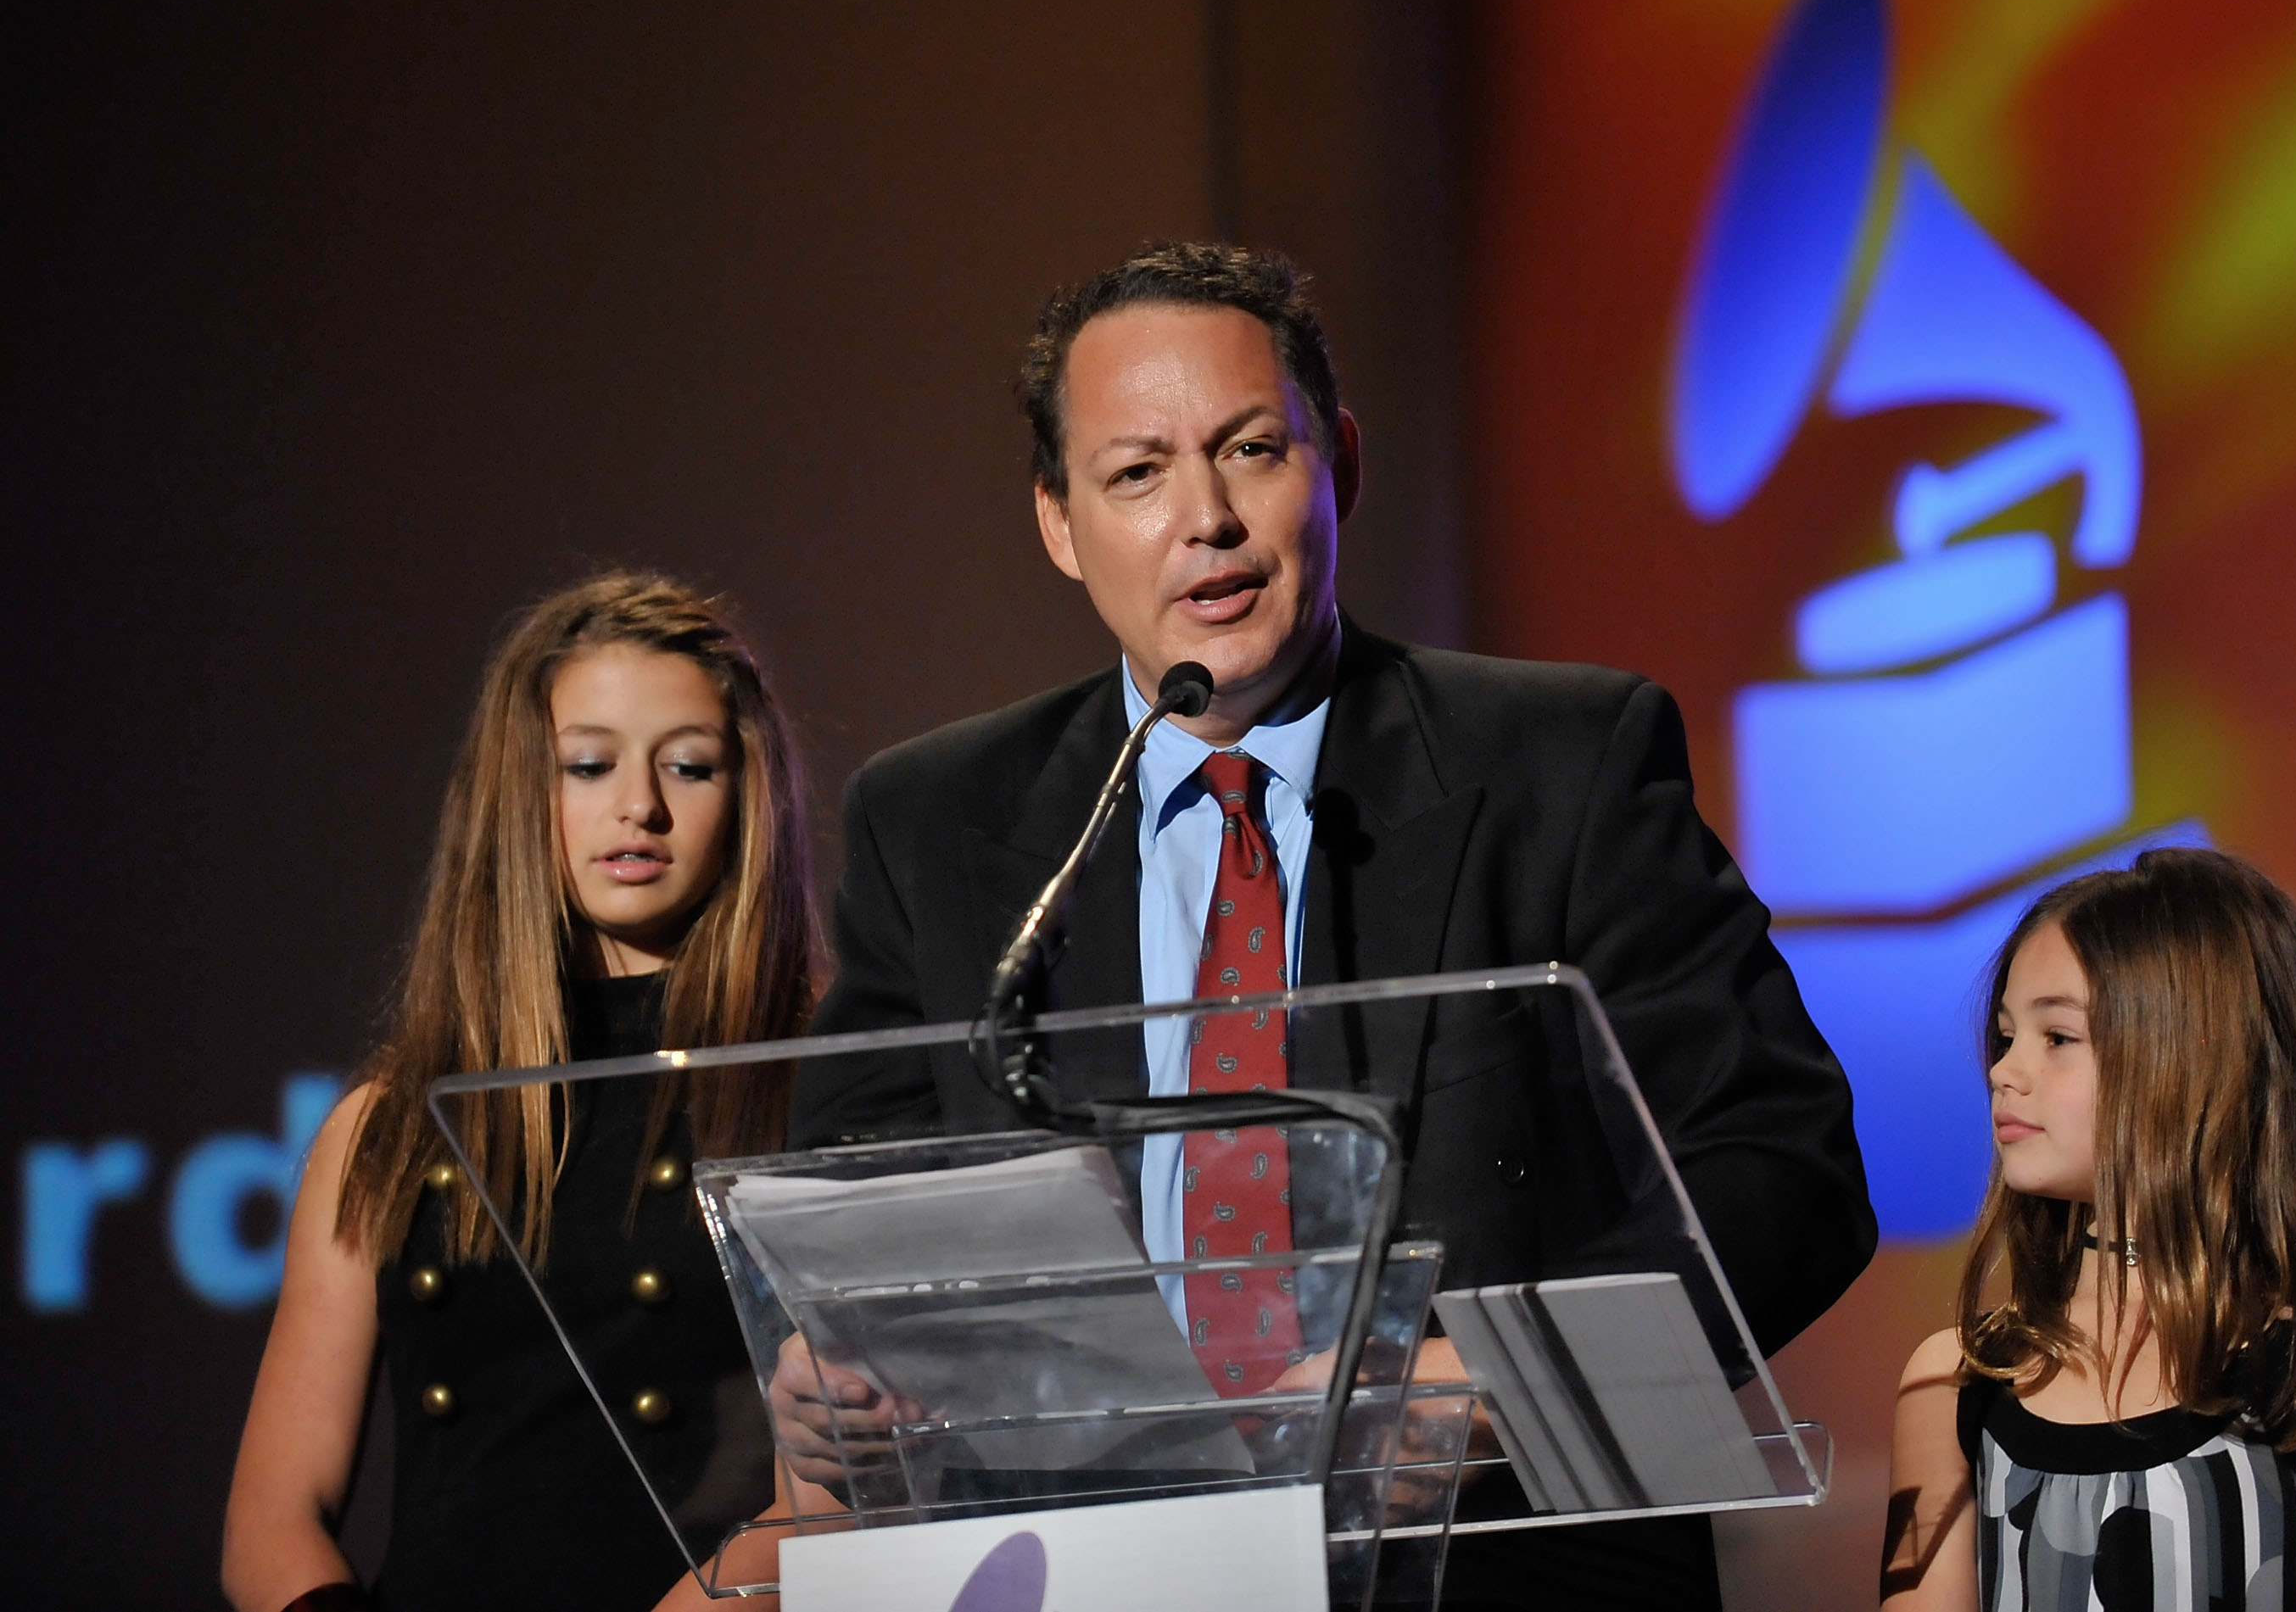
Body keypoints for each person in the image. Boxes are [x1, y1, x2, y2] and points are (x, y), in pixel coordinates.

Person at [782, 240, 1878, 1609]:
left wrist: (1493, 1391)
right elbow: (853, 1200)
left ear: (1339, 462)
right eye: (1138, 473)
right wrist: (839, 1363)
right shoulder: (940, 823)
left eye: (1250, 450)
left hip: (1492, 1565)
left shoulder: (1563, 760)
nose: (1207, 520)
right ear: (1059, 524)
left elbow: (1781, 1171)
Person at [221, 572, 824, 1612]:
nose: (639, 805)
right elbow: (273, 1521)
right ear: (515, 791)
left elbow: (821, 1506)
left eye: (689, 766)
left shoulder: (810, 1089)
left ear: (747, 795)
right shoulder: (390, 1121)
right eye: (588, 765)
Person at [1880, 848, 2296, 1610]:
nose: (2004, 1070)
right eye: (2006, 1036)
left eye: (2058, 1037)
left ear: (2194, 1055)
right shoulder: (1956, 1382)